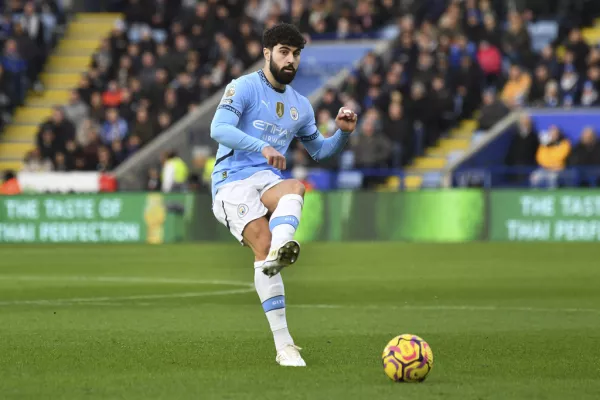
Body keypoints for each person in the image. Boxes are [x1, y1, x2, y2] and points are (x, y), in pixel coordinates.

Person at [209, 23, 358, 367]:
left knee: (296, 187)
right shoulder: (243, 87)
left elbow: (319, 151)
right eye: (284, 52)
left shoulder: (301, 106)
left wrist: (343, 133)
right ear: (267, 53)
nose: (291, 60)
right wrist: (261, 146)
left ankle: (281, 247)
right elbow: (218, 129)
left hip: (266, 178)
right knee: (261, 243)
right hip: (231, 181)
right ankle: (284, 345)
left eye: (296, 54)